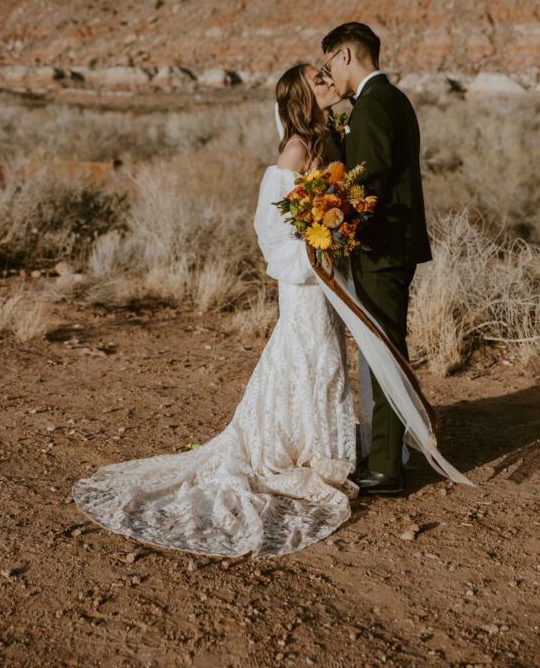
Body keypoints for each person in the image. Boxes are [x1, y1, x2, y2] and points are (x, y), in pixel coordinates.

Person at [72, 63, 359, 558]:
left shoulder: (330, 137)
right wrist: (312, 253)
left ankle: (317, 448)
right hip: (305, 277)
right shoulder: (295, 148)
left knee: (323, 356)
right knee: (307, 356)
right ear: (302, 96)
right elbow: (270, 226)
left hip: (326, 271)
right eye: (318, 79)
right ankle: (295, 452)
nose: (329, 82)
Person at [320, 21, 432, 496]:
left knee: (385, 356)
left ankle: (386, 467)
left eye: (329, 65)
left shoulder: (369, 108)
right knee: (386, 353)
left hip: (381, 252)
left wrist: (331, 228)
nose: (329, 76)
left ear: (346, 55)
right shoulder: (395, 100)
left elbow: (366, 188)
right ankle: (387, 452)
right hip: (397, 248)